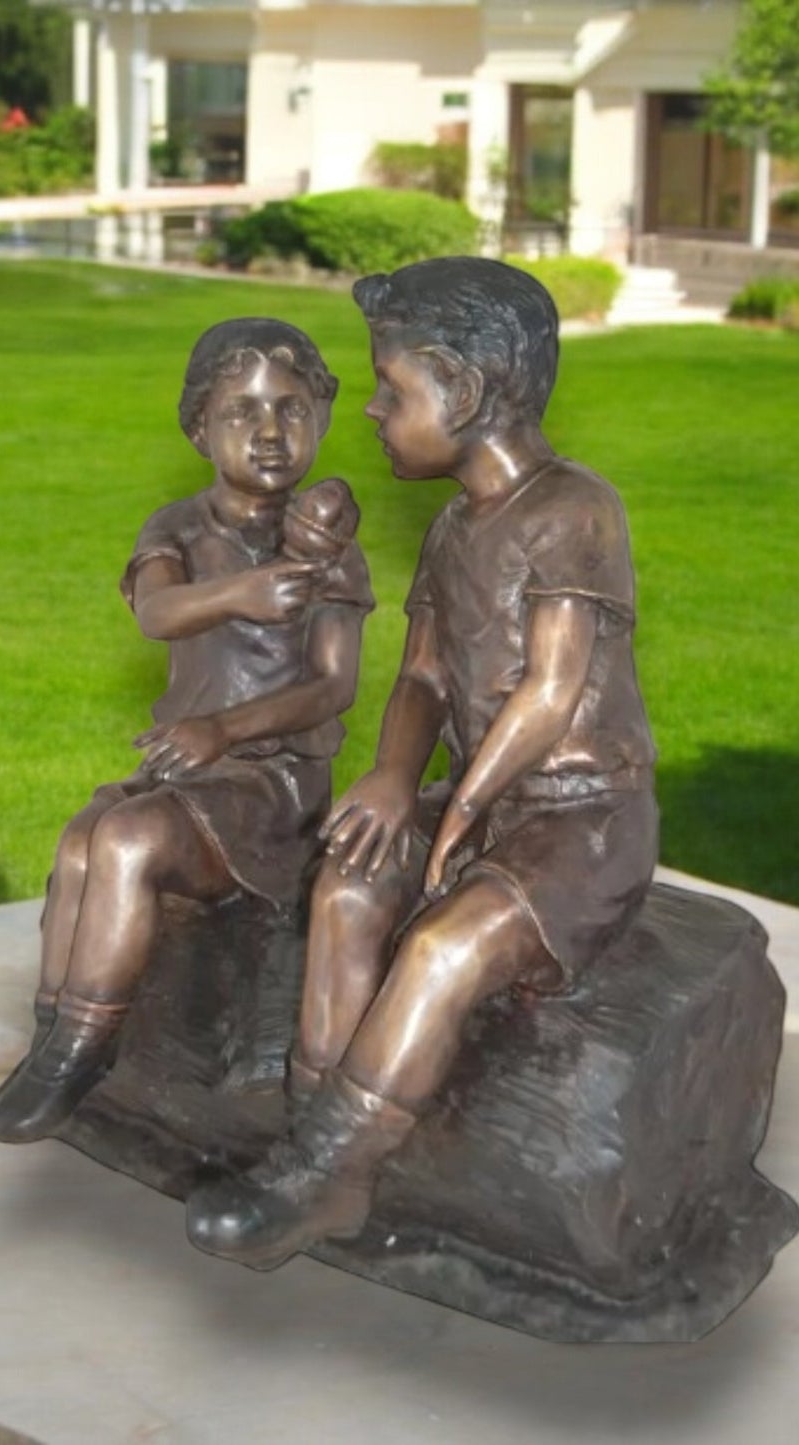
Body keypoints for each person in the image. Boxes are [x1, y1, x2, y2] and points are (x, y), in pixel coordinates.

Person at [186, 257, 659, 1269]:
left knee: (446, 944)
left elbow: (550, 689)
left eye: (389, 389)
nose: (368, 410)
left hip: (580, 816)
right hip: (479, 802)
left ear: (461, 386)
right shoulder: (452, 528)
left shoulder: (573, 509)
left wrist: (460, 812)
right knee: (350, 879)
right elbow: (421, 680)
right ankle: (318, 1145)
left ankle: (328, 1166)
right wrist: (396, 779)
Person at [0, 318, 373, 1145]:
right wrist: (244, 595)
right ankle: (55, 1029)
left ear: (321, 420)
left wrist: (222, 730)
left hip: (271, 784)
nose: (269, 433)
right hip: (189, 769)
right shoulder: (181, 528)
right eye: (241, 412)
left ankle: (79, 1052)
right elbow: (157, 612)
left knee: (125, 843)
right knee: (83, 841)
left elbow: (332, 688)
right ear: (199, 427)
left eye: (291, 410)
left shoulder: (329, 552)